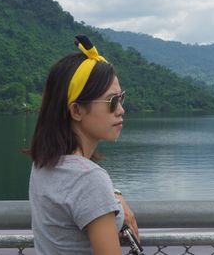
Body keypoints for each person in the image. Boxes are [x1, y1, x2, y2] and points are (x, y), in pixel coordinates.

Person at [28, 35, 139, 254]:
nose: (121, 110)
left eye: (121, 98)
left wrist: (112, 197)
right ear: (76, 110)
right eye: (112, 101)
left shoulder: (44, 163)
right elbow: (85, 188)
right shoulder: (88, 178)